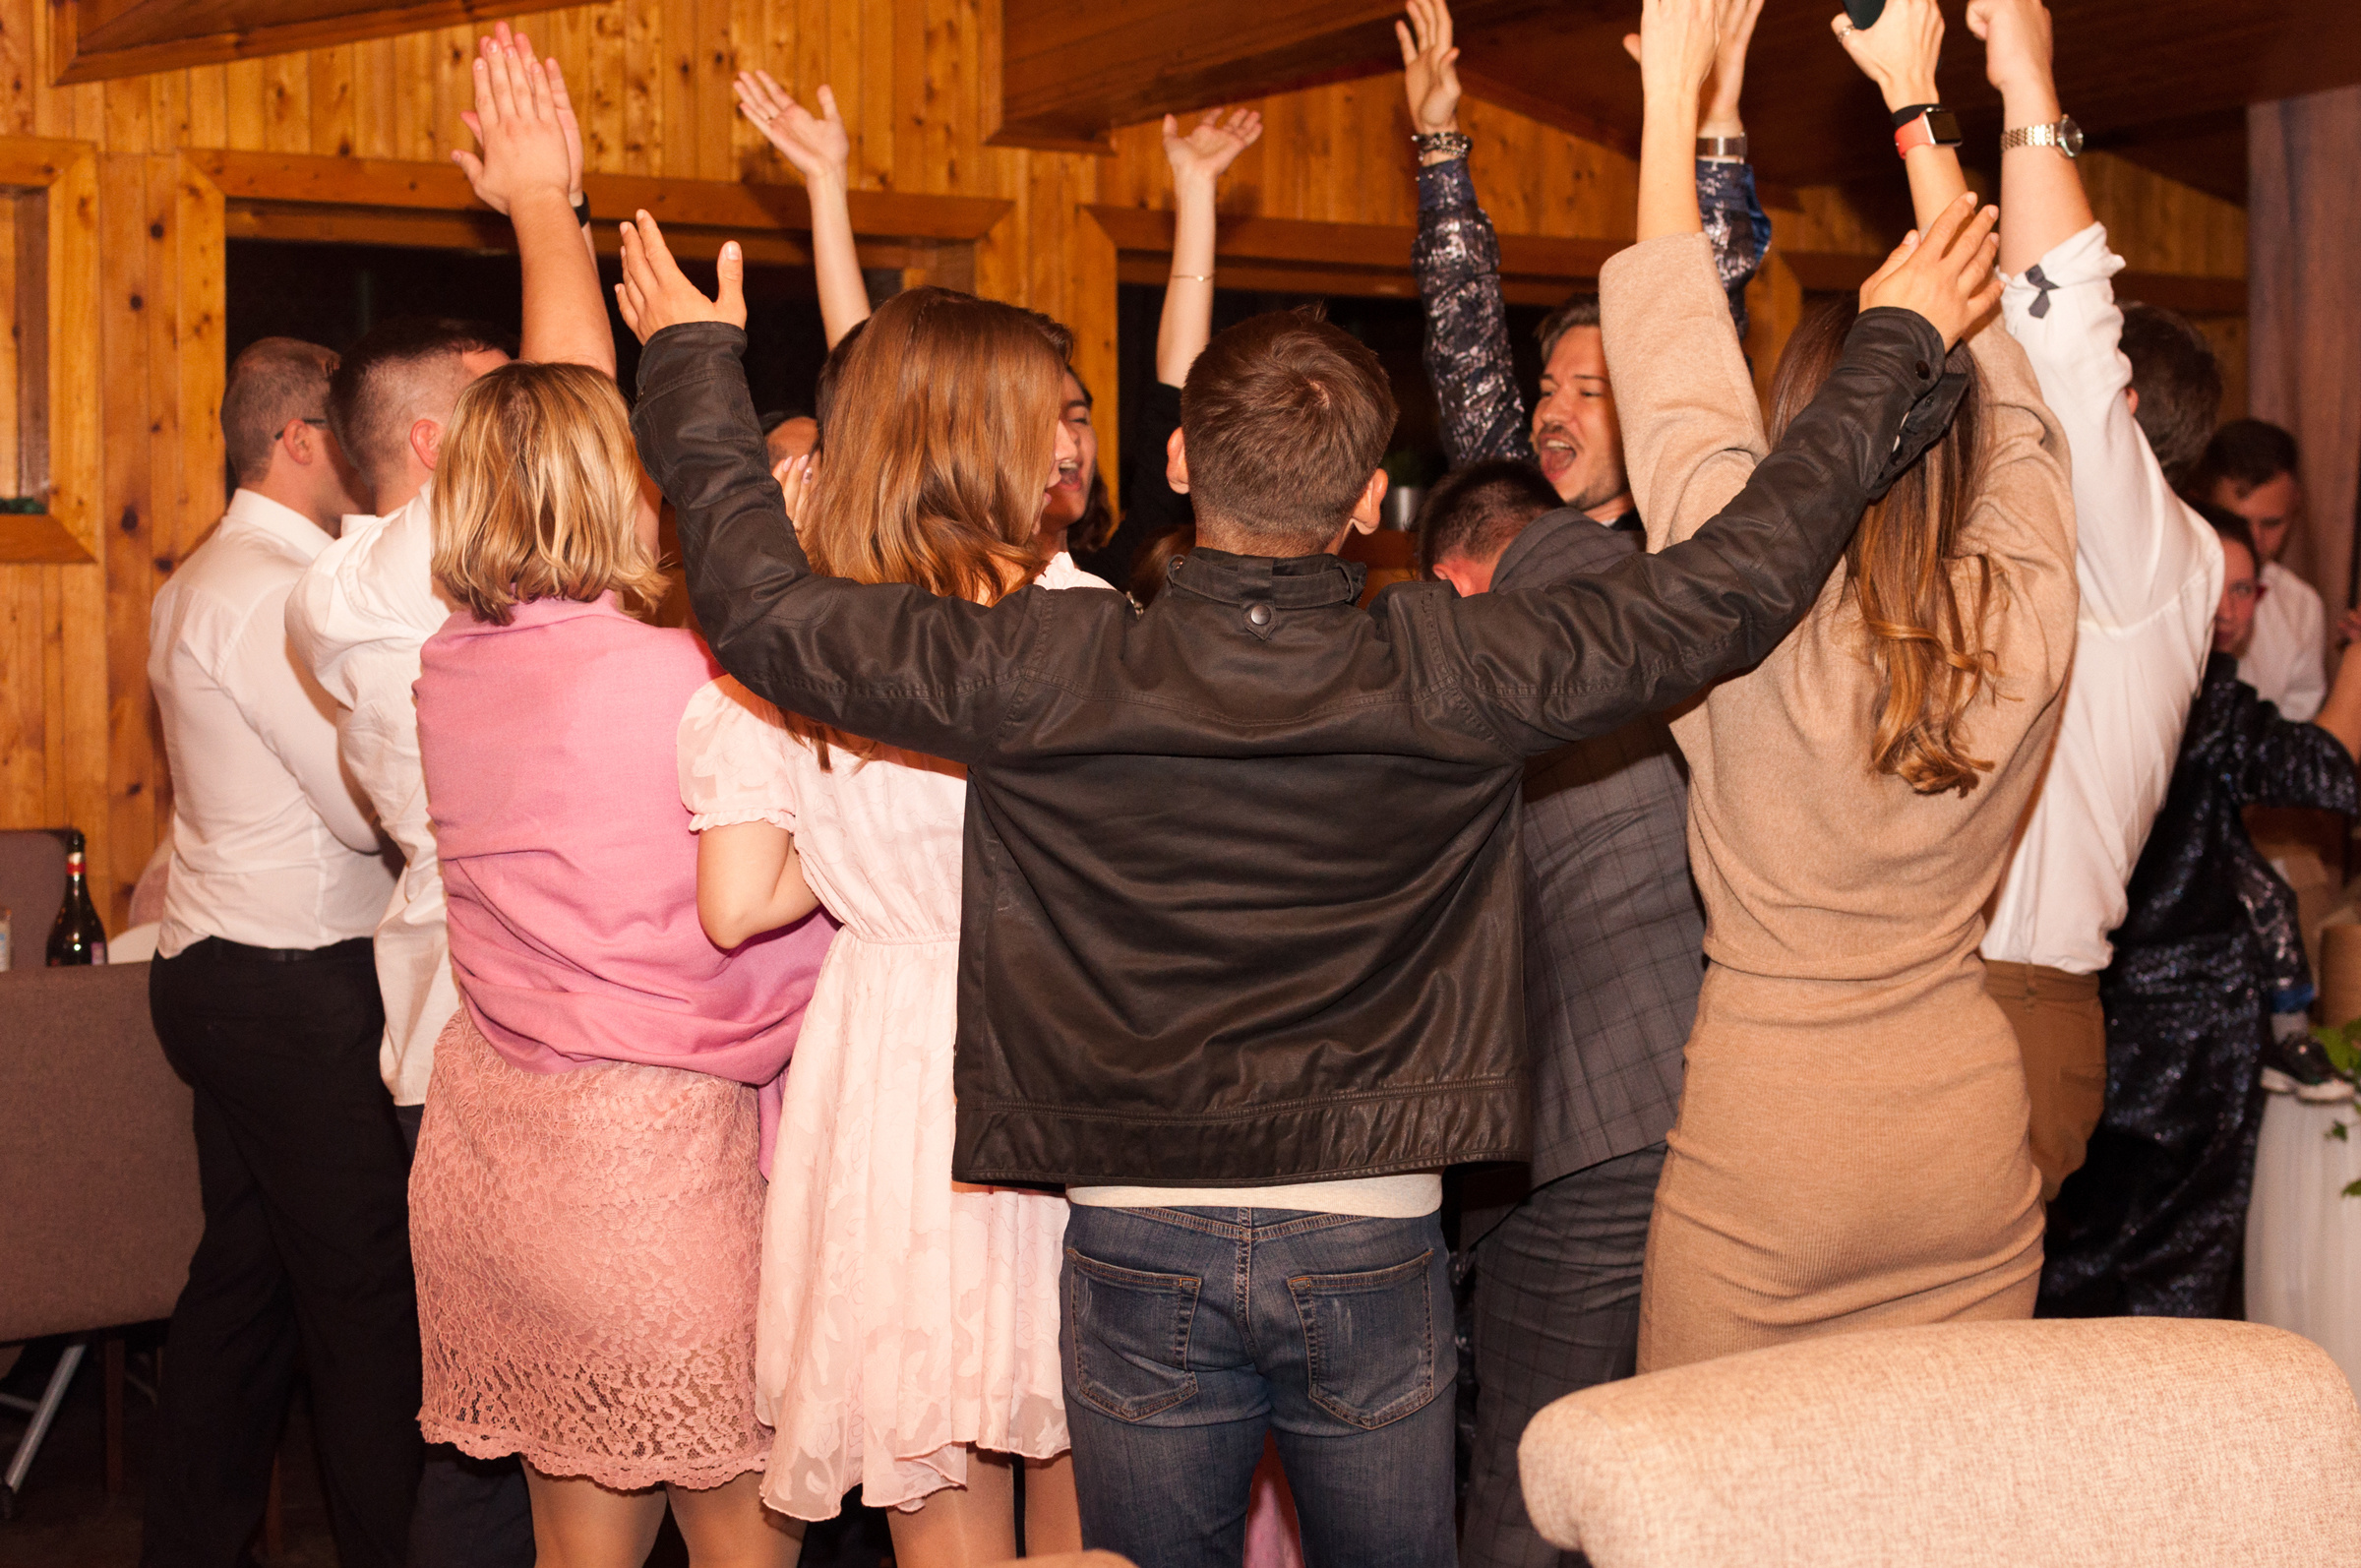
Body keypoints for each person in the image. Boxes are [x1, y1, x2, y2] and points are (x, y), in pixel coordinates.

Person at [614, 111, 2003, 1567]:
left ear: (1177, 460)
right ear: (1362, 503)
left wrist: (697, 364)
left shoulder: (1054, 662)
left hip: (1136, 1237)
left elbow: (765, 609)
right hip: (1373, 1232)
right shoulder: (1446, 662)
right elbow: (1735, 586)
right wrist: (1893, 344)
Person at [1616, 0, 2073, 1371]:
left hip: (1771, 1165)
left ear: (1801, 441)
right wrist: (1917, 108)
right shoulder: (2027, 613)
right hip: (1962, 1158)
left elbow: (1668, 364)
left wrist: (1674, 95)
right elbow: (2025, 398)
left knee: (1695, 1514)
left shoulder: (1734, 616)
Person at [676, 286, 1106, 1561]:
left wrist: (867, 856)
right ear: (972, 429)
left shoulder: (794, 640)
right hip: (1056, 1042)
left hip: (891, 1058)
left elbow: (742, 898)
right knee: (1090, 1451)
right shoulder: (1077, 623)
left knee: (939, 1465)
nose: (1066, 441)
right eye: (1043, 408)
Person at [408, 346, 829, 1564]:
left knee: (579, 1553)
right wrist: (787, 586)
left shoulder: (449, 668)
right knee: (747, 1543)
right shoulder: (688, 678)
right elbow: (750, 908)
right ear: (621, 483)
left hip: (500, 1148)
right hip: (653, 1169)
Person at [283, 30, 595, 1561]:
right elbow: (576, 414)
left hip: (540, 1045)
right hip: (487, 1060)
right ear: (440, 449)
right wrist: (548, 216)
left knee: (559, 1441)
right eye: (503, 410)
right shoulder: (371, 586)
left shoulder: (421, 579)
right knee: (494, 1449)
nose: (540, 435)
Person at [143, 335, 416, 1568]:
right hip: (294, 987)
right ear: (298, 442)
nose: (366, 457)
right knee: (365, 1311)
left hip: (227, 972)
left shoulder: (211, 571)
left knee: (244, 1299)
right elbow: (366, 805)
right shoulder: (268, 588)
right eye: (345, 435)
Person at [1415, 458, 1705, 1568]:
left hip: (1589, 1126)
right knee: (1689, 1481)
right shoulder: (1678, 581)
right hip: (1734, 1095)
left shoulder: (1496, 639)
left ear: (1453, 577)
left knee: (1538, 1488)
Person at [1965, 0, 2224, 1204]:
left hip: (2011, 1002)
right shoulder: (2051, 547)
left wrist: (2026, 80)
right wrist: (1920, 106)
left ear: (2123, 433)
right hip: (1932, 991)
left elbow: (2063, 339)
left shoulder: (2158, 557)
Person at [2042, 508, 2361, 1319]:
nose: (2228, 610)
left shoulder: (2093, 663)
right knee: (2167, 1267)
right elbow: (2327, 774)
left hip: (2088, 1001)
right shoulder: (2199, 693)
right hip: (2182, 1027)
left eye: (2247, 588)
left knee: (2082, 1253)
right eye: (2214, 586)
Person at [1401, 0, 1769, 523]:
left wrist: (1715, 120)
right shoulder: (1514, 524)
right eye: (1548, 390)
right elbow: (1464, 337)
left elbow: (1694, 336)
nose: (1550, 412)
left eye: (1589, 391)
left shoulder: (1694, 553)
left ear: (1645, 413)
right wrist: (1438, 142)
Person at [2201, 419, 2326, 720]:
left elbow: (2298, 724)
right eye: (2237, 523)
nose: (2253, 542)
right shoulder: (2168, 591)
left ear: (2295, 506)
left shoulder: (2301, 606)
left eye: (2271, 523)